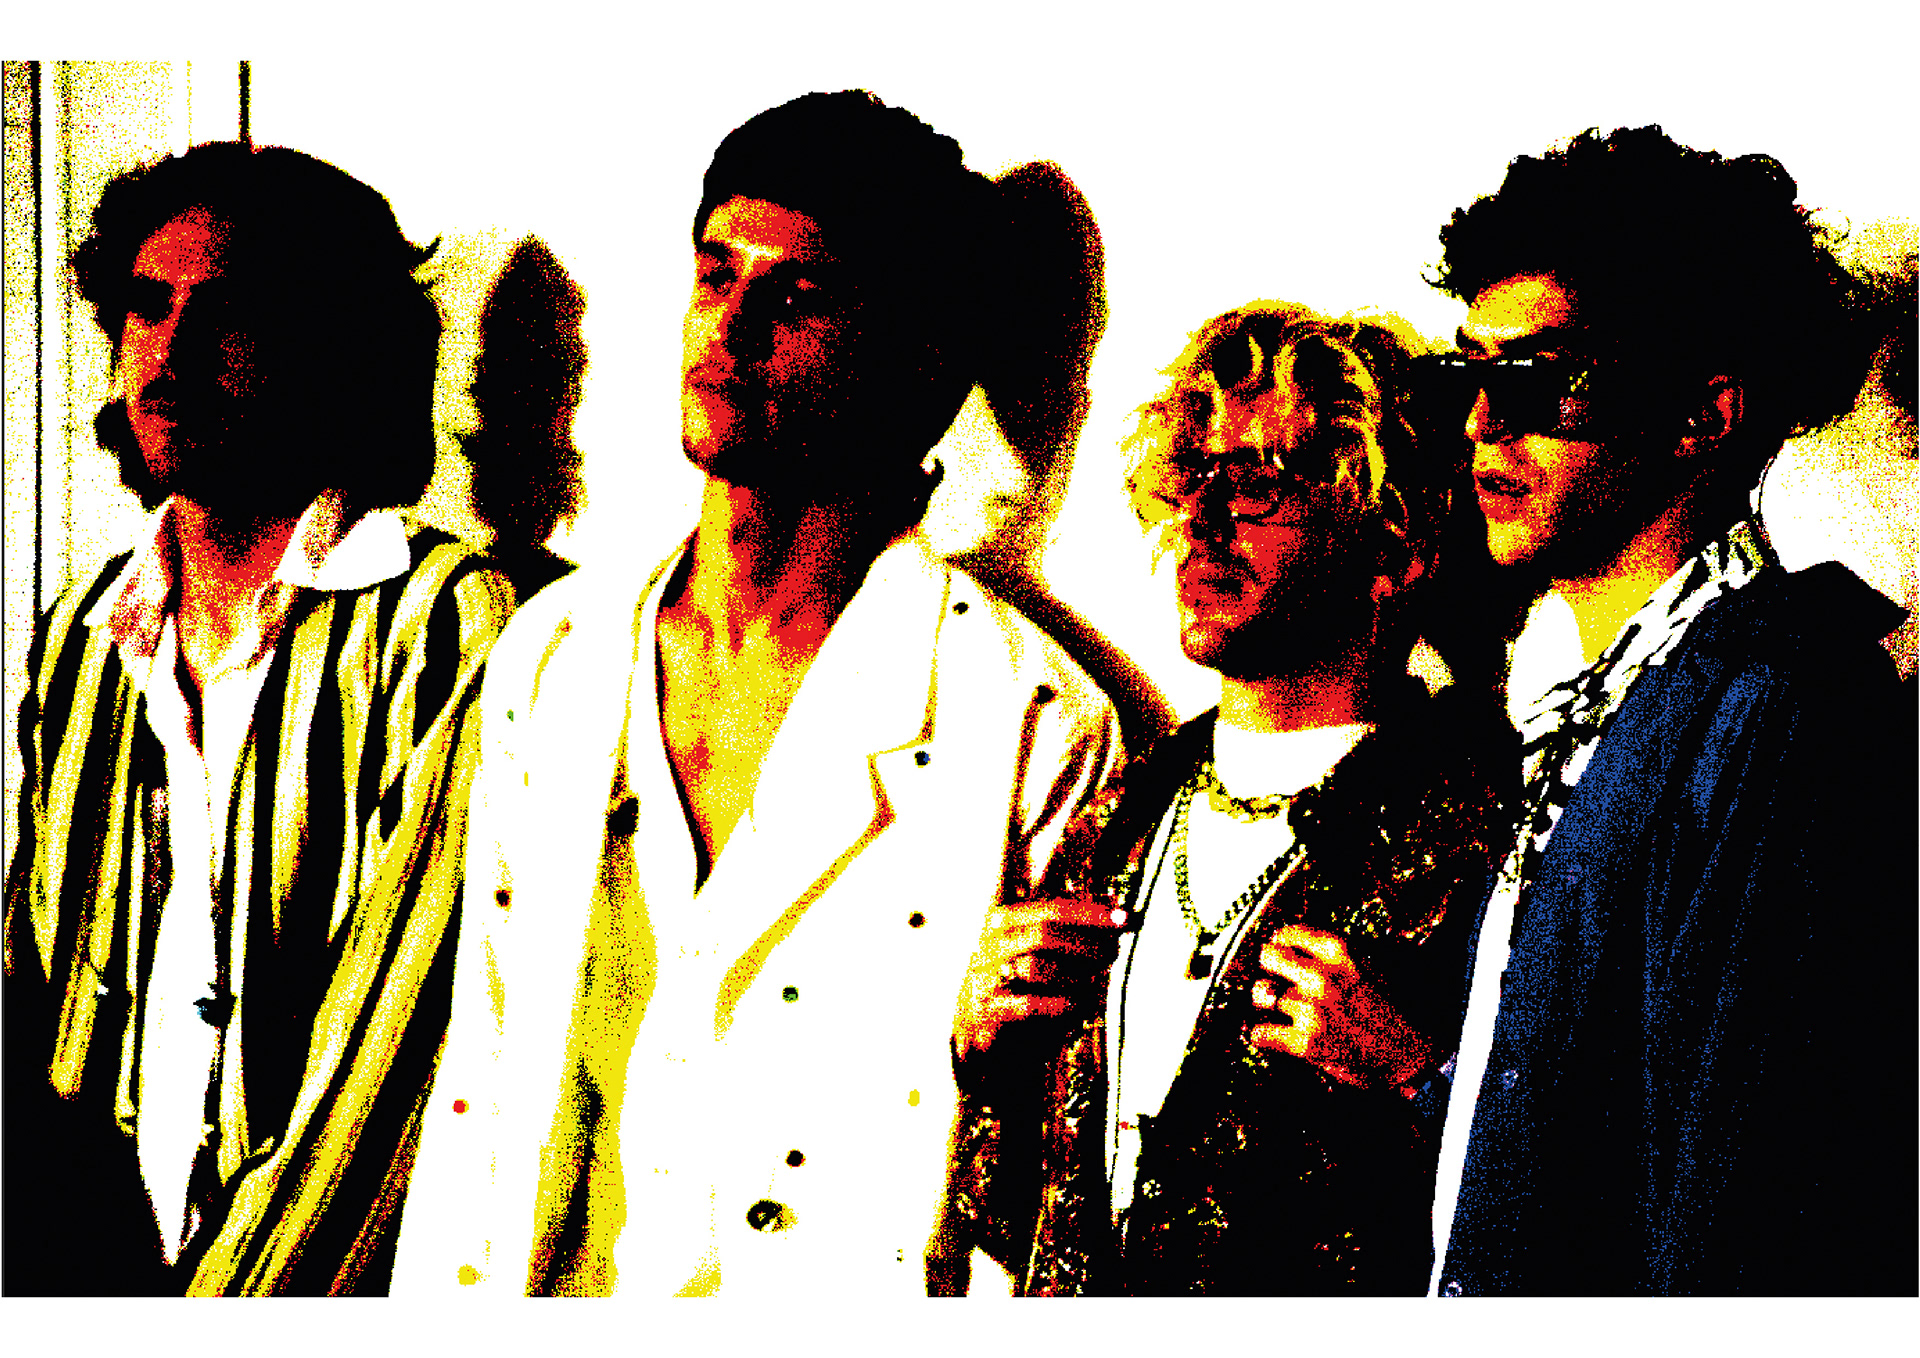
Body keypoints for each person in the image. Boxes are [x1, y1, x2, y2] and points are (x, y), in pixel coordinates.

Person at [393, 91, 1118, 1297]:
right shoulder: (554, 654)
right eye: (714, 275)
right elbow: (485, 1073)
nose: (728, 329)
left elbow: (1036, 1181)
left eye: (797, 295)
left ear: (916, 359)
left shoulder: (1030, 718)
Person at [2, 142, 513, 1295]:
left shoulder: (436, 620)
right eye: (148, 307)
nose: (171, 353)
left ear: (324, 345)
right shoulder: (85, 630)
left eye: (227, 314)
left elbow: (399, 1056)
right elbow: (32, 986)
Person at [1420, 125, 1915, 1295]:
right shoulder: (1615, 699)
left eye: (1539, 380)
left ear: (1703, 416)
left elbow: (1745, 1207)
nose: (1484, 423)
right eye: (1469, 377)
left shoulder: (1774, 707)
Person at [943, 302, 1512, 1295]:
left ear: (1394, 547)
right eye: (1192, 476)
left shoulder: (1491, 827)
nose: (1201, 522)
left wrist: (1423, 1079)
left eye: (1258, 485)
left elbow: (1587, 1189)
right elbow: (1003, 1217)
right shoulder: (1121, 811)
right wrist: (980, 1043)